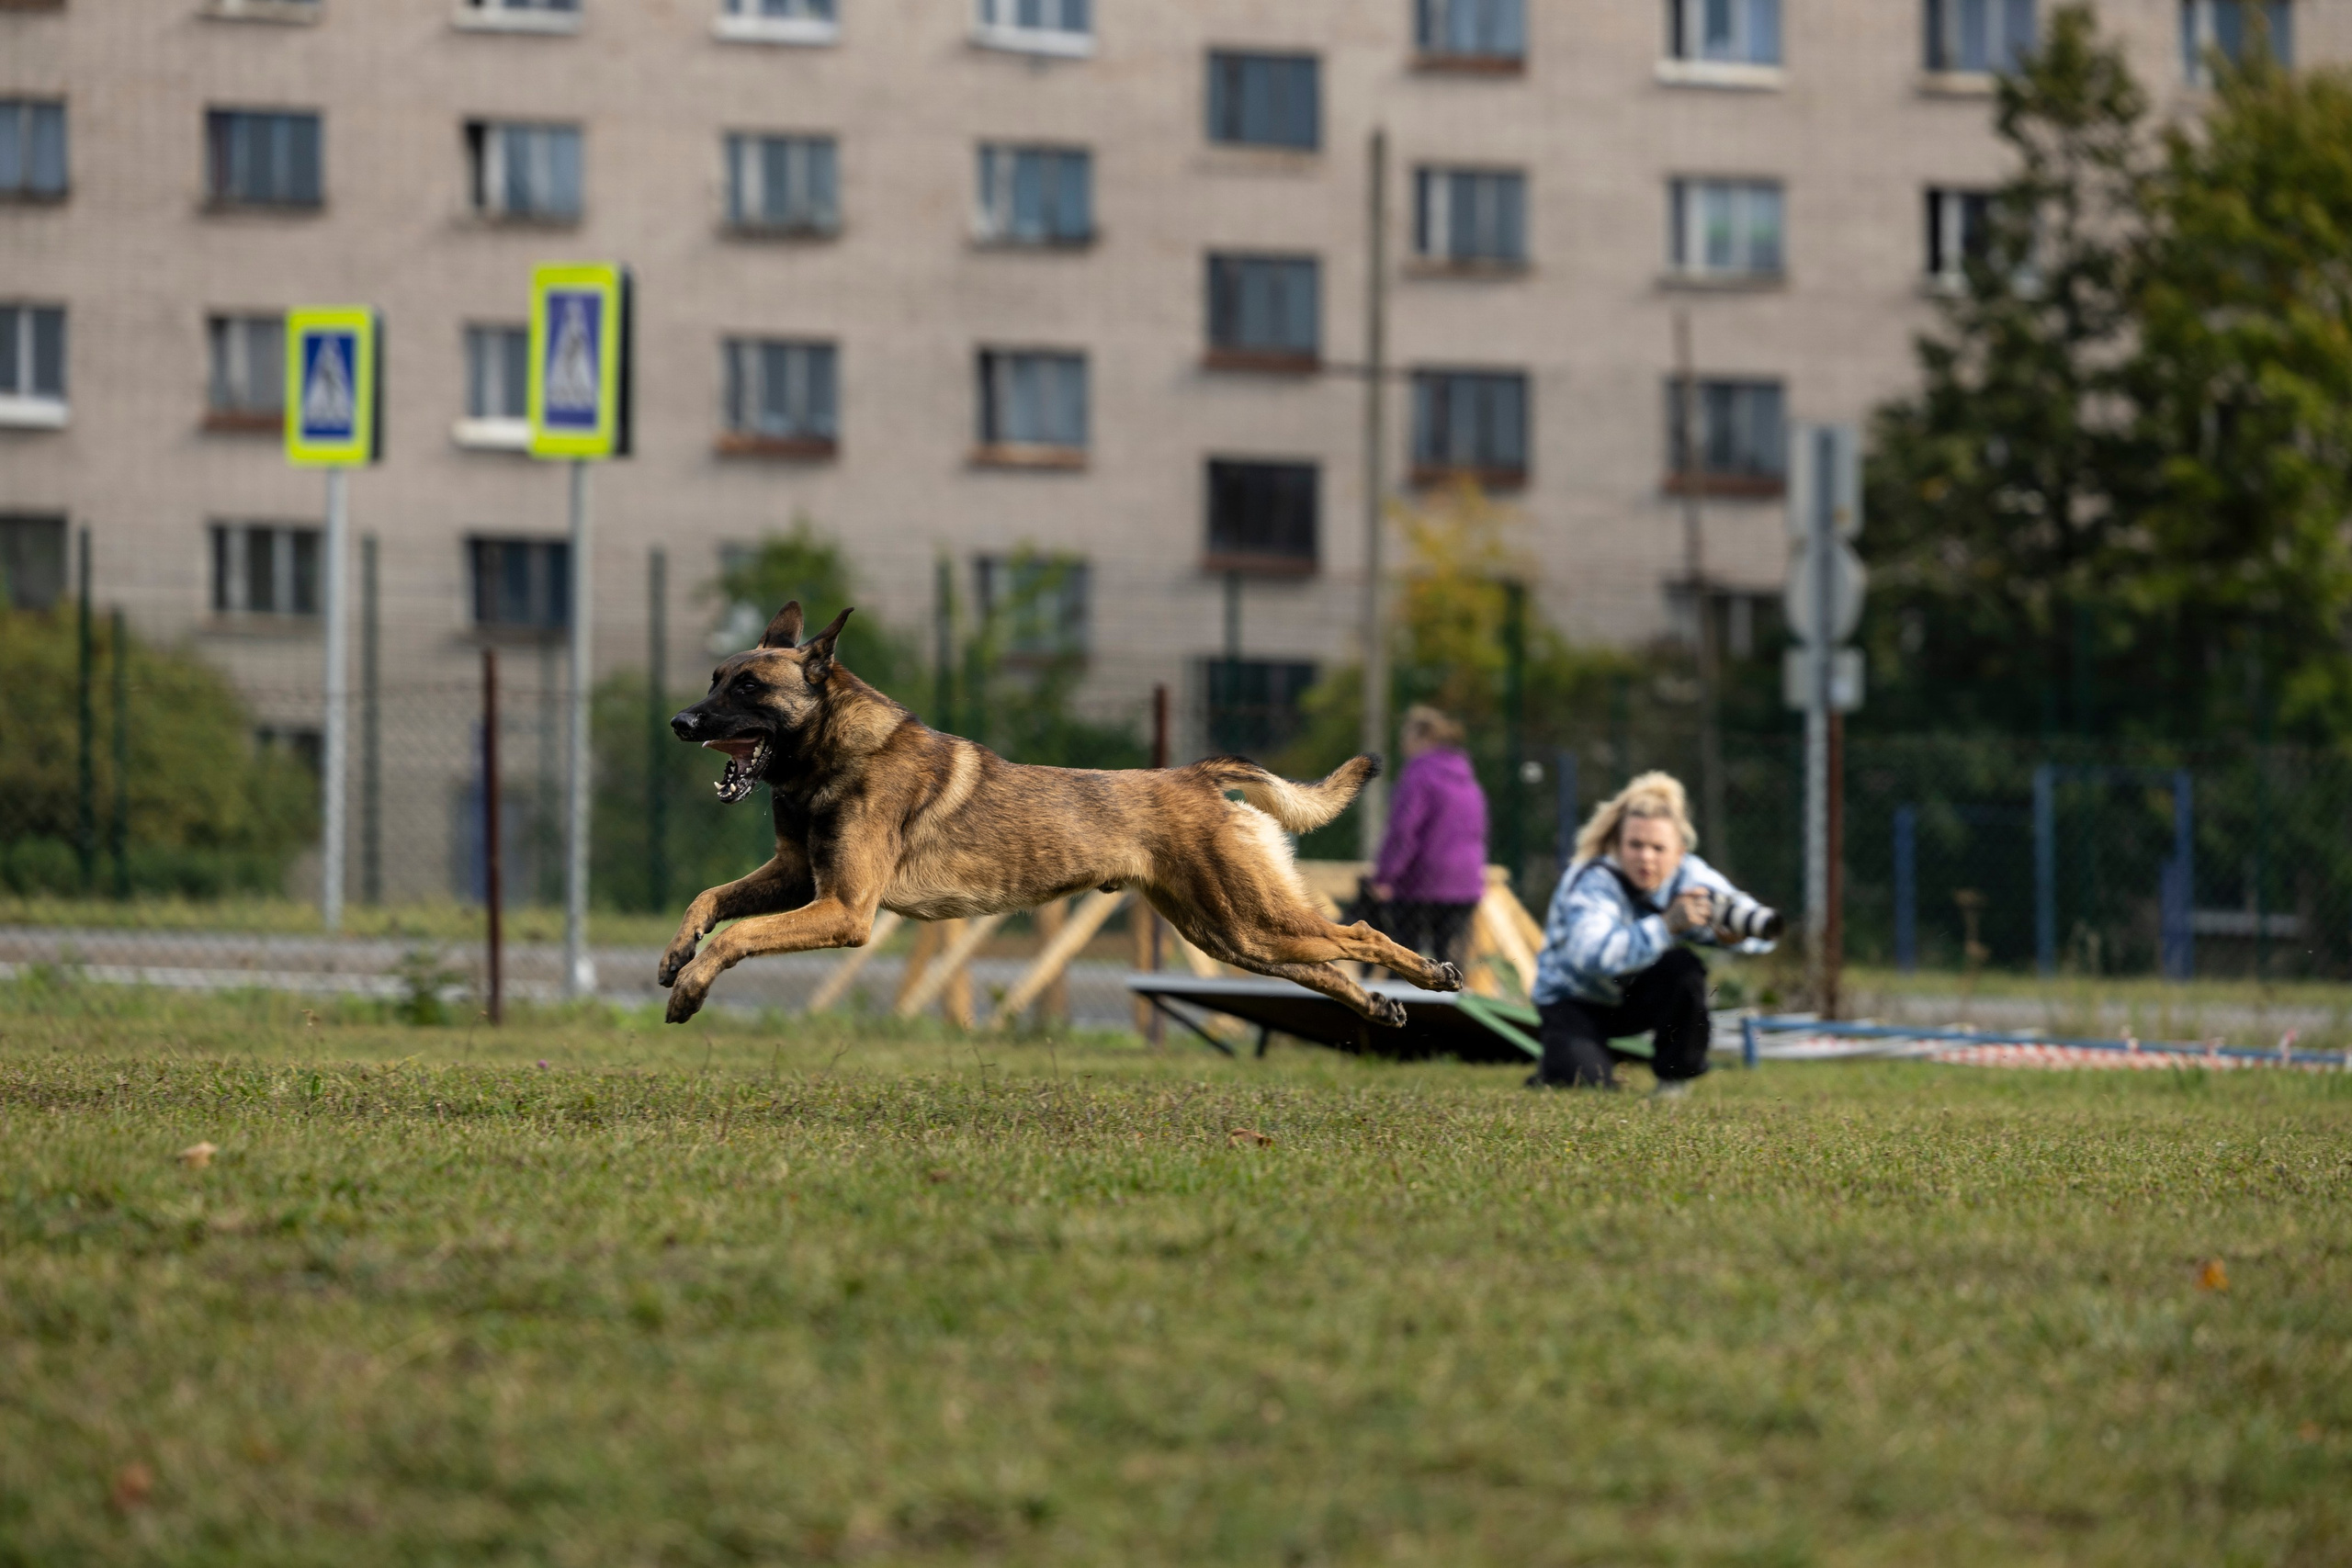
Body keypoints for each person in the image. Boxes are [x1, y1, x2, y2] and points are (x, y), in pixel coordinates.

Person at [1529, 771, 1775, 1096]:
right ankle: (1557, 1065)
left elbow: (1754, 923)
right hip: (1574, 1001)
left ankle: (1674, 1081)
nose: (1647, 857)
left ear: (1680, 851)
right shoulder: (1592, 880)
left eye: (1659, 848)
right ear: (1617, 844)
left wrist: (1736, 934)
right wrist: (1666, 925)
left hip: (1632, 995)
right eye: (1635, 845)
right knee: (1587, 1088)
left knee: (1683, 968)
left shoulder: (1690, 873)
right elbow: (1592, 957)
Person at [1365, 705, 1488, 967]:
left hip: (1423, 882)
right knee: (1450, 963)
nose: (1402, 744)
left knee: (1406, 961)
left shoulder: (1418, 774)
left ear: (1423, 738)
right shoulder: (1466, 775)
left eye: (1406, 737)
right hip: (1466, 882)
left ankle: (1407, 1006)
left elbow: (1403, 830)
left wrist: (1385, 877)